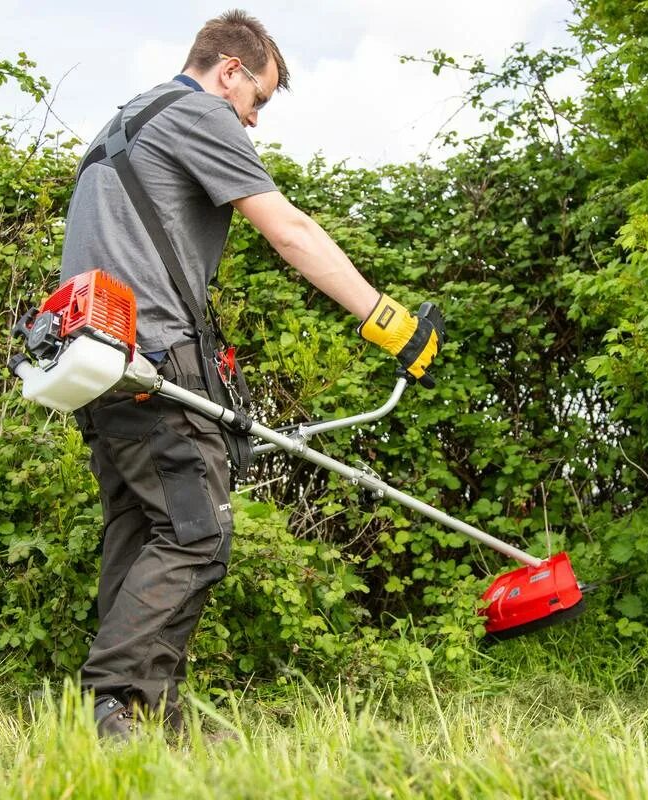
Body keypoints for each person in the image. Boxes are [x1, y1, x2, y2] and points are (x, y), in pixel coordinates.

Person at [60, 9, 443, 739]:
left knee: (143, 534)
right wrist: (385, 319)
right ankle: (112, 703)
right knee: (195, 535)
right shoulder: (199, 113)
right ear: (229, 70)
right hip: (156, 357)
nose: (254, 121)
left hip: (100, 360)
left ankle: (153, 718)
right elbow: (289, 230)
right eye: (257, 100)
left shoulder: (124, 122)